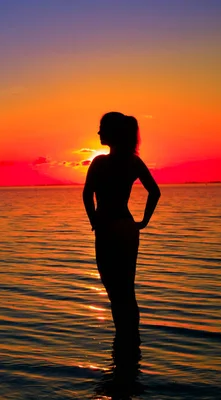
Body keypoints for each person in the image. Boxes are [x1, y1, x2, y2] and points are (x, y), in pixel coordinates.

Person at [83, 112, 161, 351]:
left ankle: (123, 342)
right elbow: (155, 192)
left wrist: (94, 220)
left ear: (112, 133)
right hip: (127, 228)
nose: (98, 133)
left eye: (102, 128)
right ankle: (131, 341)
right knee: (127, 289)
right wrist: (143, 221)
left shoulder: (99, 163)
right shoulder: (133, 162)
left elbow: (87, 194)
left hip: (107, 228)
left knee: (113, 290)